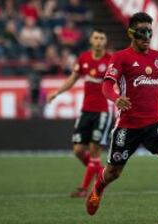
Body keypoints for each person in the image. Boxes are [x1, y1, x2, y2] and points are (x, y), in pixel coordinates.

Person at [85, 12, 158, 219]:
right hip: (127, 126)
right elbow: (107, 85)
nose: (147, 36)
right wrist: (116, 98)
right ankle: (99, 188)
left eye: (149, 31)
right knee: (113, 172)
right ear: (131, 33)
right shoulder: (120, 58)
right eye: (142, 32)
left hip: (152, 122)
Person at [47, 28, 114, 197]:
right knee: (78, 150)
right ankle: (102, 174)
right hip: (86, 111)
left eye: (101, 38)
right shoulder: (84, 58)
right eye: (96, 38)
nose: (98, 41)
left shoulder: (111, 60)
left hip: (103, 112)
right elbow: (72, 79)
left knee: (94, 151)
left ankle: (84, 189)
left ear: (105, 41)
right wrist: (57, 92)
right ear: (91, 41)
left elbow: (119, 82)